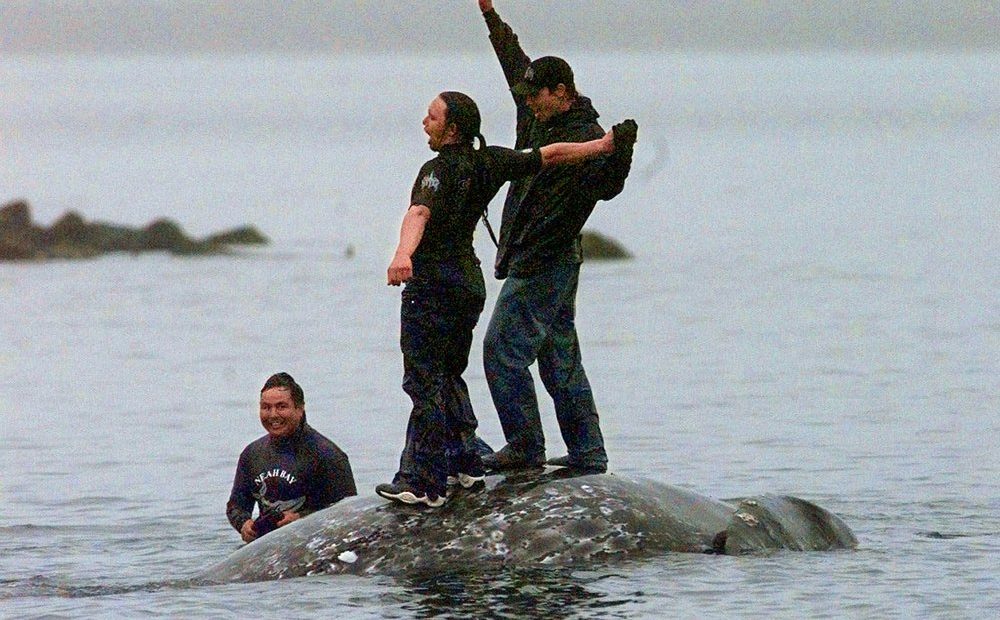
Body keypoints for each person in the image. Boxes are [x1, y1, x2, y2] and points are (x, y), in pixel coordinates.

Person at [376, 90, 633, 508]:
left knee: (424, 382)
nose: (425, 122)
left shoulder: (435, 171)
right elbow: (549, 155)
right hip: (468, 285)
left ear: (453, 129)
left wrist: (403, 253)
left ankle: (424, 482)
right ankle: (466, 467)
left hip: (434, 287)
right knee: (450, 374)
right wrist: (601, 146)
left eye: (433, 117)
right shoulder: (489, 161)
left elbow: (418, 213)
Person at [476, 0, 638, 474]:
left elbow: (607, 187)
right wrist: (489, 15)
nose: (526, 101)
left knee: (501, 352)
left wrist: (620, 154)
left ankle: (525, 447)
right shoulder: (536, 118)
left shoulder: (587, 135)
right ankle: (589, 453)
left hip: (546, 261)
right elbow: (513, 62)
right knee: (558, 356)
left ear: (561, 92)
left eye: (535, 95)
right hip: (551, 260)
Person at [227, 372, 356, 543]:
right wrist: (244, 524)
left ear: (300, 409)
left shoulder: (327, 455)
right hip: (269, 548)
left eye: (281, 406)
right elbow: (236, 506)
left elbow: (348, 514)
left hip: (316, 546)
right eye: (266, 407)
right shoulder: (252, 455)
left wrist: (302, 519)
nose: (273, 415)